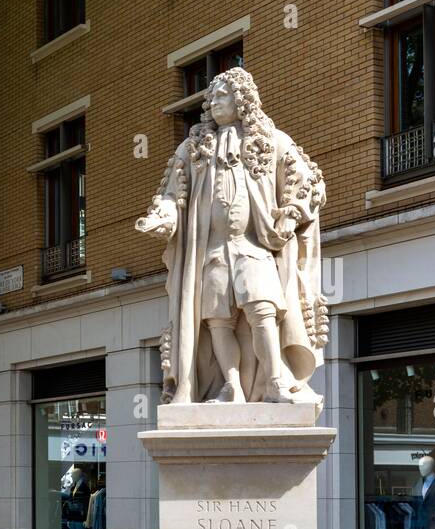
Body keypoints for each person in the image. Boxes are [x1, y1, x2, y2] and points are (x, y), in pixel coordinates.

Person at [136, 67, 328, 404]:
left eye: (222, 95)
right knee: (217, 321)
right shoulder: (192, 148)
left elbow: (308, 184)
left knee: (263, 310)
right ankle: (231, 387)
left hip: (254, 247)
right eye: (211, 98)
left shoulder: (272, 141)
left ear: (242, 99)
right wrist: (163, 218)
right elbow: (171, 195)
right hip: (211, 251)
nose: (214, 103)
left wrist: (292, 213)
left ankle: (274, 383)